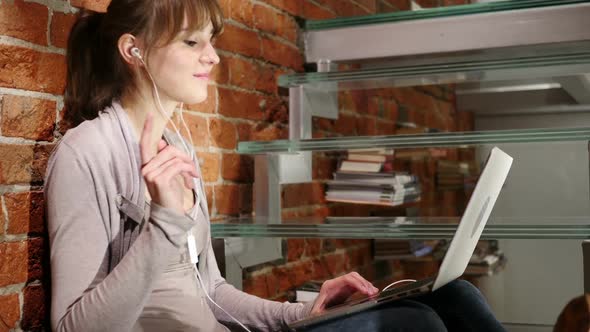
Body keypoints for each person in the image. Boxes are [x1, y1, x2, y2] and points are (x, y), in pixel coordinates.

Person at [44, 0, 506, 331]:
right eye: (192, 42)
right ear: (134, 50)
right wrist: (164, 223)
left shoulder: (178, 146)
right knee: (413, 323)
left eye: (212, 41)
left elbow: (211, 290)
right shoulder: (86, 155)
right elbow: (73, 326)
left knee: (453, 294)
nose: (213, 56)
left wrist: (303, 314)